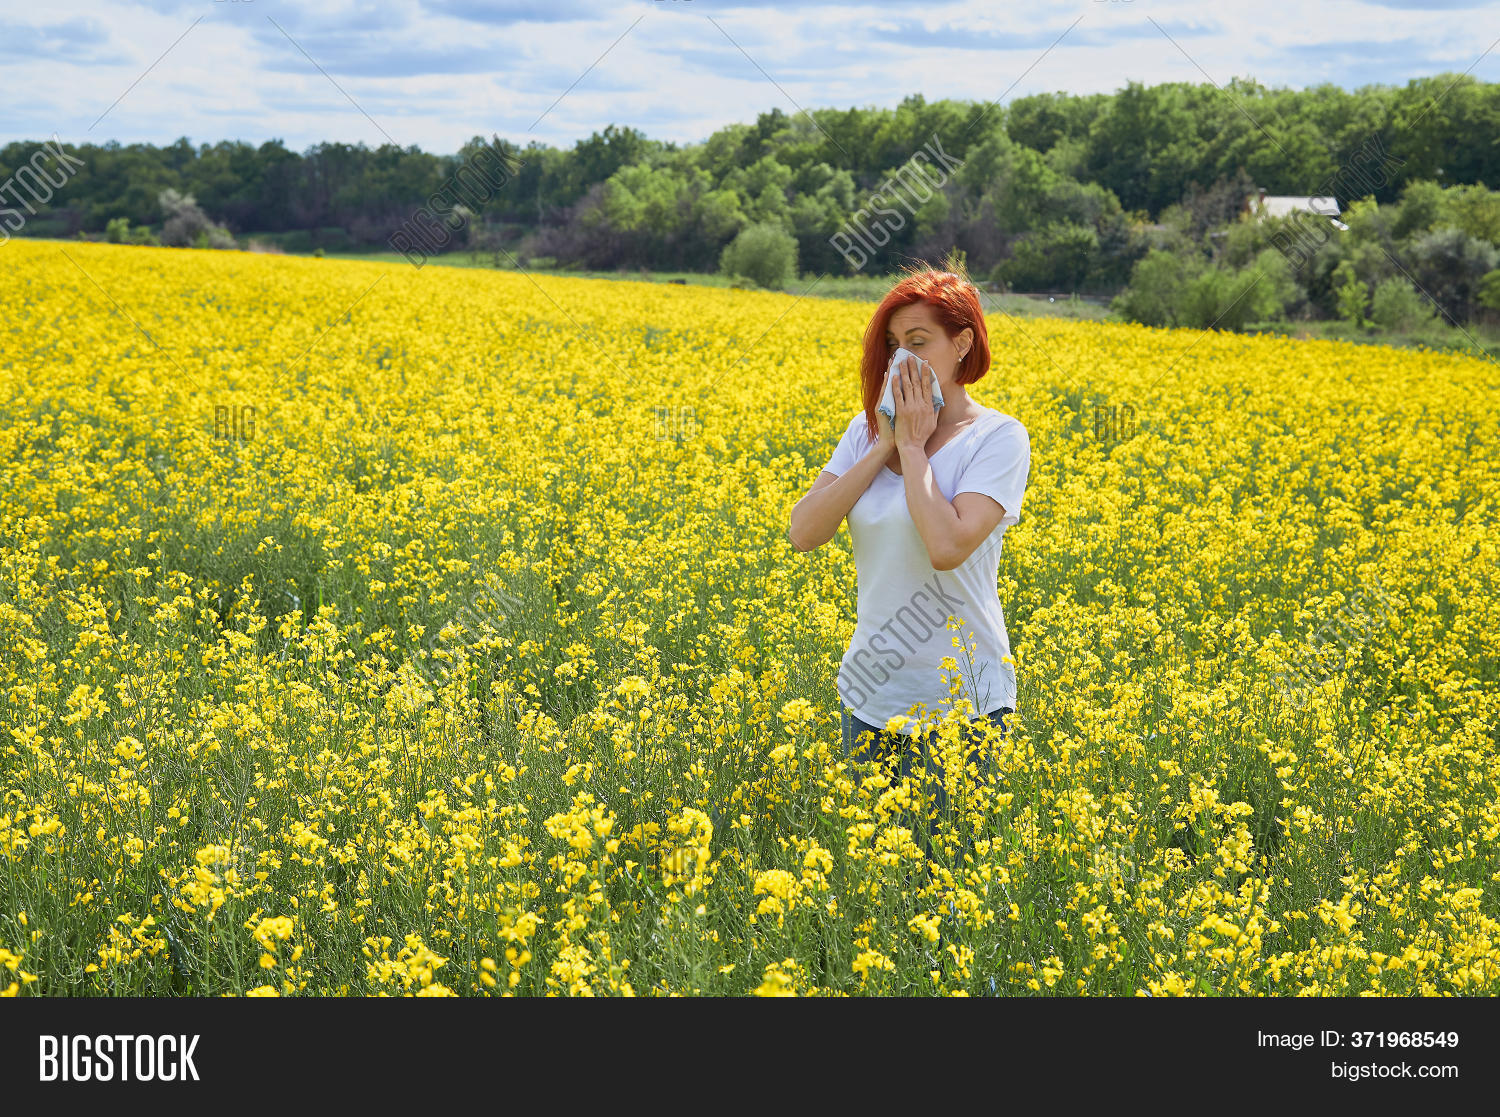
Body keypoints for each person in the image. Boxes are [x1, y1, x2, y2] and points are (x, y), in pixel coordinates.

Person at [787, 264, 1032, 861]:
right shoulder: (864, 432)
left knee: (951, 884)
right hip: (871, 694)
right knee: (879, 889)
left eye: (918, 343)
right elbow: (804, 531)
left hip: (964, 705)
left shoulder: (997, 439)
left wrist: (917, 448)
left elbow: (948, 547)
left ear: (963, 343)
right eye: (894, 345)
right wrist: (886, 445)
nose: (902, 360)